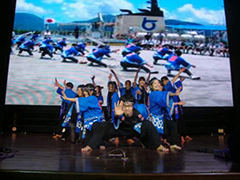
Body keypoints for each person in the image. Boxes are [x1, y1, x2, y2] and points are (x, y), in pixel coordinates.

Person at [80, 94, 169, 152]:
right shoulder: (118, 110)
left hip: (133, 130)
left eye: (129, 106)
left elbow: (145, 125)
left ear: (133, 106)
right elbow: (114, 117)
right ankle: (91, 146)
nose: (127, 109)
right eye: (125, 106)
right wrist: (116, 114)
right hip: (119, 130)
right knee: (102, 125)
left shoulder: (139, 111)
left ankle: (158, 146)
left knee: (147, 124)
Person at [62, 83, 105, 148]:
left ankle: (100, 144)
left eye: (85, 91)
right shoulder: (86, 99)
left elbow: (78, 100)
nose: (84, 93)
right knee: (87, 139)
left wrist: (67, 98)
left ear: (91, 91)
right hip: (88, 122)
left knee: (96, 133)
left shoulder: (92, 98)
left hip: (95, 120)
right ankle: (90, 145)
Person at [148, 77, 184, 150]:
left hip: (161, 116)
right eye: (155, 83)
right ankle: (158, 146)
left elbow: (165, 94)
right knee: (157, 132)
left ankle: (173, 144)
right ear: (151, 86)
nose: (157, 84)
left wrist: (174, 94)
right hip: (155, 117)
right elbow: (165, 94)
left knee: (173, 125)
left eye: (158, 83)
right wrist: (174, 94)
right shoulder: (153, 94)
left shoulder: (159, 93)